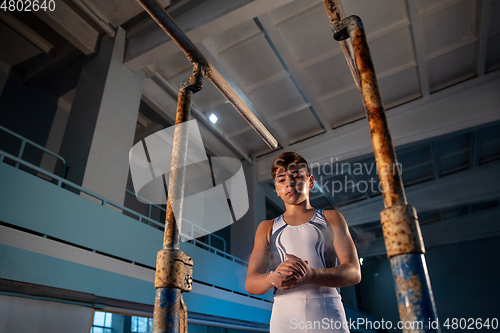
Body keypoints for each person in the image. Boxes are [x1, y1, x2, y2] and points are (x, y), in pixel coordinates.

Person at [245, 152, 361, 333]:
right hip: (284, 314)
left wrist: (312, 275)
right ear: (276, 188)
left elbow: (354, 272)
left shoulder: (331, 217)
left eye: (296, 176)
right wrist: (272, 278)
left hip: (326, 309)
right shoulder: (266, 228)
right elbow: (251, 283)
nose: (289, 184)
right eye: (281, 179)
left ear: (311, 181)